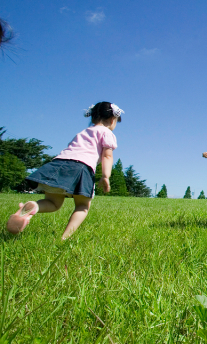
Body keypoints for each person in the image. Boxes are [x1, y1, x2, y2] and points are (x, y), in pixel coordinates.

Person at [6, 102, 124, 240]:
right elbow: (107, 155)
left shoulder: (83, 132)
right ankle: (64, 238)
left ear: (92, 118)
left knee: (53, 203)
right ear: (112, 120)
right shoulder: (106, 132)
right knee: (82, 206)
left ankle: (35, 207)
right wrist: (105, 176)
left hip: (58, 164)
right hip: (81, 167)